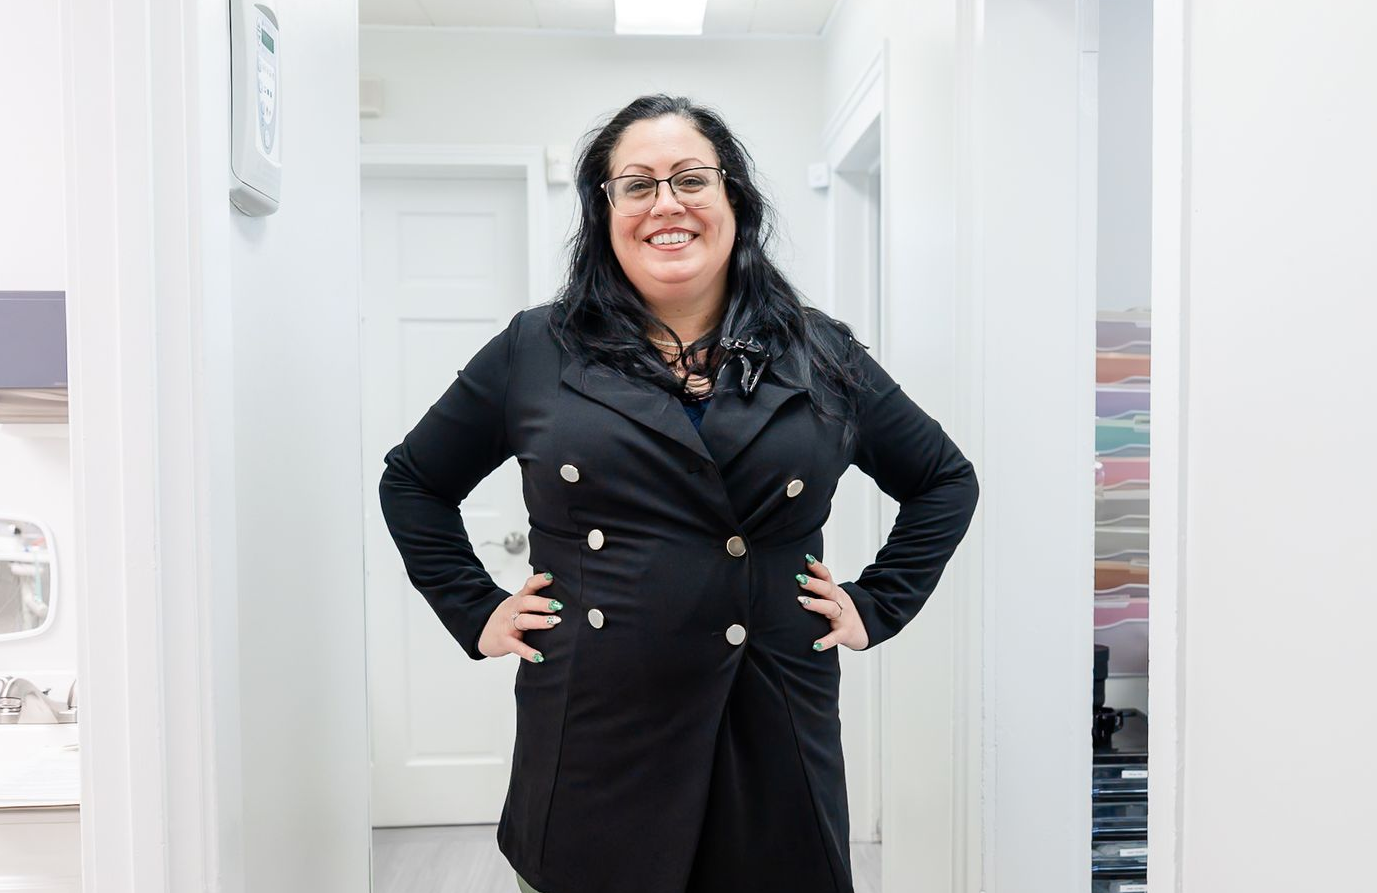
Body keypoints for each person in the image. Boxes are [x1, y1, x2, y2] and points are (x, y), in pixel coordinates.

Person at [378, 94, 979, 893]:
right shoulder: (536, 348)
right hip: (597, 726)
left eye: (691, 179)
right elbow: (414, 481)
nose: (666, 203)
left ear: (734, 198)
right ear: (605, 211)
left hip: (770, 717)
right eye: (637, 184)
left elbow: (943, 478)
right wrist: (473, 607)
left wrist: (877, 603)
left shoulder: (819, 350)